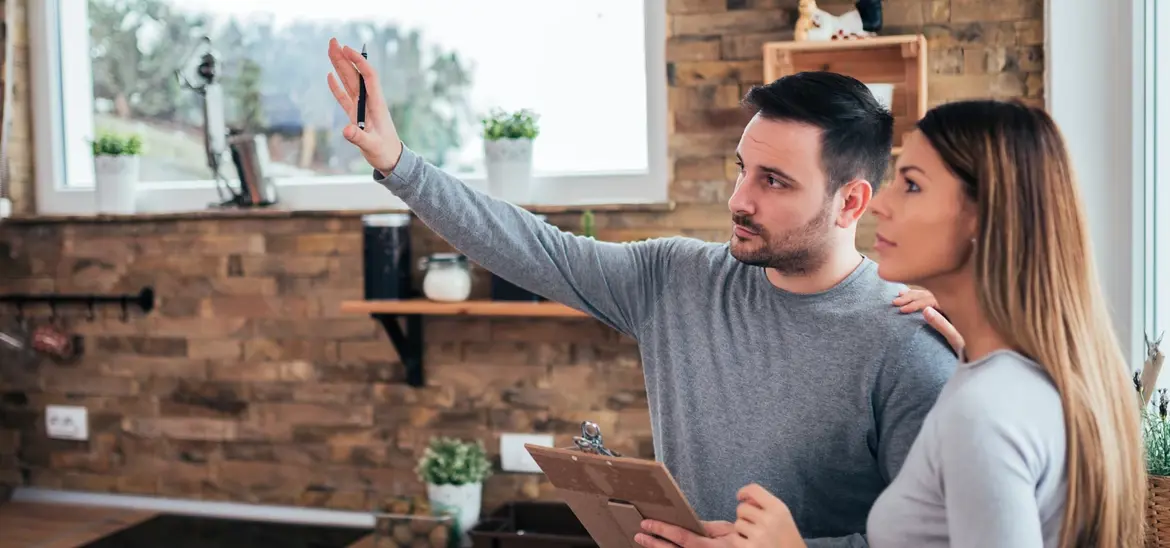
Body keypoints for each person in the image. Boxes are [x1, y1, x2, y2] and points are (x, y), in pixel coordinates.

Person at [326, 39, 959, 547]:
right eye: (743, 169)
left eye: (774, 181)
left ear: (851, 201)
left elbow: (942, 538)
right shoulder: (676, 278)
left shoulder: (908, 342)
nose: (740, 199)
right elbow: (530, 246)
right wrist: (397, 162)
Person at [651, 99, 1147, 547]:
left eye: (911, 185)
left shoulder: (984, 410)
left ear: (981, 217)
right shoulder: (1009, 380)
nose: (880, 204)